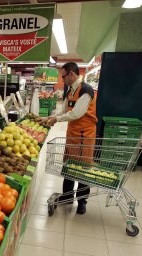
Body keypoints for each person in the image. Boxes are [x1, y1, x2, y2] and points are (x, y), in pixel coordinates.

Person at [46, 62, 98, 215]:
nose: (62, 80)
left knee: (81, 169)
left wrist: (57, 120)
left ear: (71, 74)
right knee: (68, 166)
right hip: (72, 135)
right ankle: (67, 196)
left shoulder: (86, 90)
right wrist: (53, 116)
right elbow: (64, 108)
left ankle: (82, 201)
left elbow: (76, 113)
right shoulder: (70, 90)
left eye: (63, 76)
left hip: (84, 136)